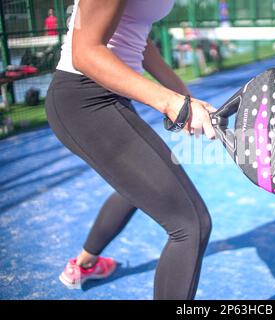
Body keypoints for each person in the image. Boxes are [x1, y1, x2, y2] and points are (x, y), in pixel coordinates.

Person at [45, 0, 216, 300]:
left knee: (139, 184)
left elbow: (141, 42)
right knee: (191, 225)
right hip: (83, 101)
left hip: (110, 99)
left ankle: (84, 263)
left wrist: (186, 99)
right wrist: (171, 103)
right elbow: (85, 53)